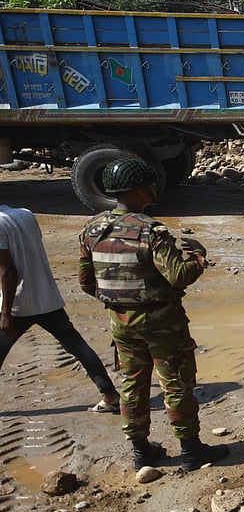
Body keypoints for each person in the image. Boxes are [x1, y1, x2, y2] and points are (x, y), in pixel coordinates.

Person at [78, 157, 229, 471]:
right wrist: (199, 255)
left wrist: (121, 302)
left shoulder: (92, 229)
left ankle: (141, 452)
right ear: (136, 191)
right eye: (149, 185)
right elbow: (179, 275)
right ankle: (190, 452)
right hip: (162, 324)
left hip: (121, 324)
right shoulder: (151, 230)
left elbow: (86, 283)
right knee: (176, 384)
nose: (153, 189)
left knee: (132, 385)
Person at [1, 204, 120, 412]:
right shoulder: (26, 214)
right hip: (47, 297)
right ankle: (110, 394)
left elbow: (8, 272)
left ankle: (110, 394)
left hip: (18, 304)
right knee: (77, 347)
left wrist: (5, 314)